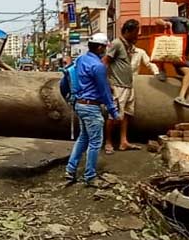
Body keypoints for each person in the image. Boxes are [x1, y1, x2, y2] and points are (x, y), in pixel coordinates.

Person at [60, 33, 120, 186]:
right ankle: (90, 176)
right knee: (95, 142)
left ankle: (71, 170)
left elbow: (67, 77)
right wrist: (114, 112)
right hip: (91, 107)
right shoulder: (98, 66)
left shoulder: (81, 59)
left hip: (80, 104)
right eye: (104, 47)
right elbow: (104, 91)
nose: (105, 50)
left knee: (83, 138)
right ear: (100, 47)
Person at [103, 19, 142, 153]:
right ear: (128, 31)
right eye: (136, 32)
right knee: (113, 115)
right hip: (117, 85)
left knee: (126, 114)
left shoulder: (129, 46)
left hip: (128, 85)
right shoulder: (117, 44)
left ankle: (123, 141)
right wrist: (106, 82)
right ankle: (108, 142)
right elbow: (105, 61)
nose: (138, 35)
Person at [154, 11, 189, 108]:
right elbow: (157, 21)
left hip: (180, 57)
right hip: (167, 51)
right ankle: (162, 70)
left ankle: (181, 96)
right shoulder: (178, 21)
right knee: (161, 45)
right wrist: (165, 23)